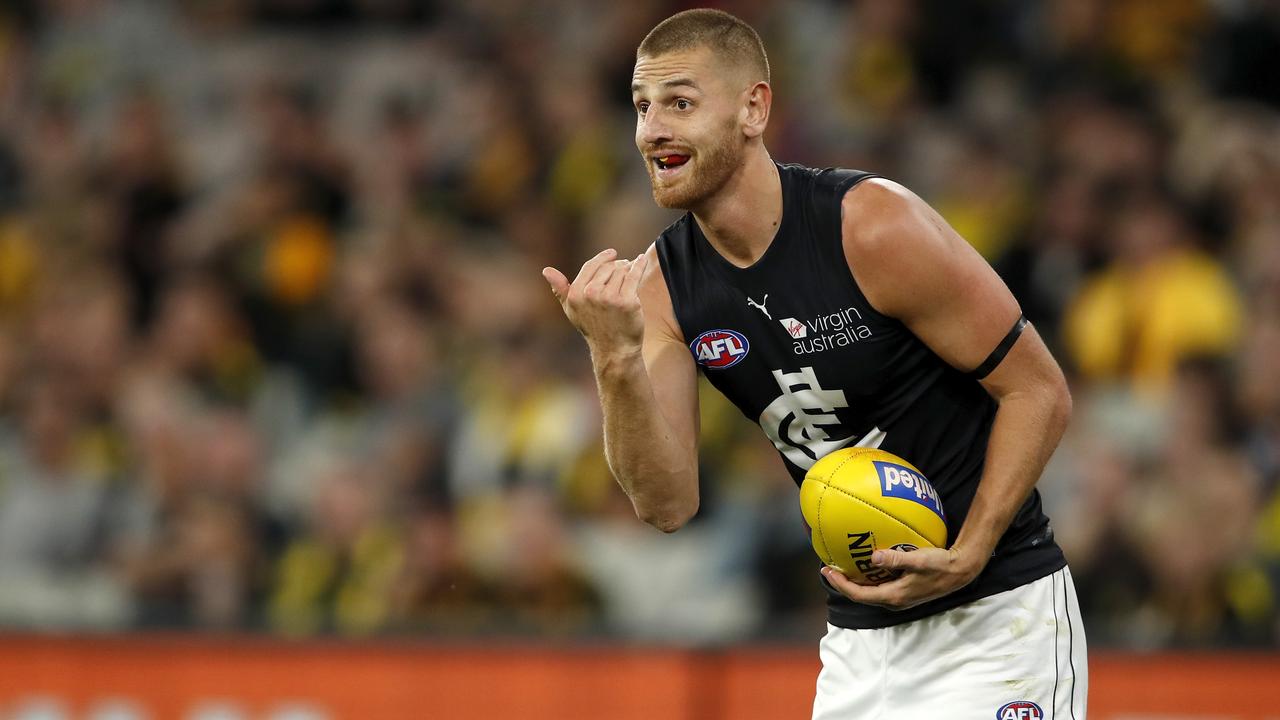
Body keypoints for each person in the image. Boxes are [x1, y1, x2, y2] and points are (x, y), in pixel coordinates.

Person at [542, 8, 1086, 718]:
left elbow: (1039, 391)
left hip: (994, 615)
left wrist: (974, 547)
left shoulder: (871, 225)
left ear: (753, 108)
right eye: (642, 108)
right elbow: (666, 504)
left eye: (679, 102)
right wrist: (613, 358)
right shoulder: (663, 289)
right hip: (858, 649)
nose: (652, 130)